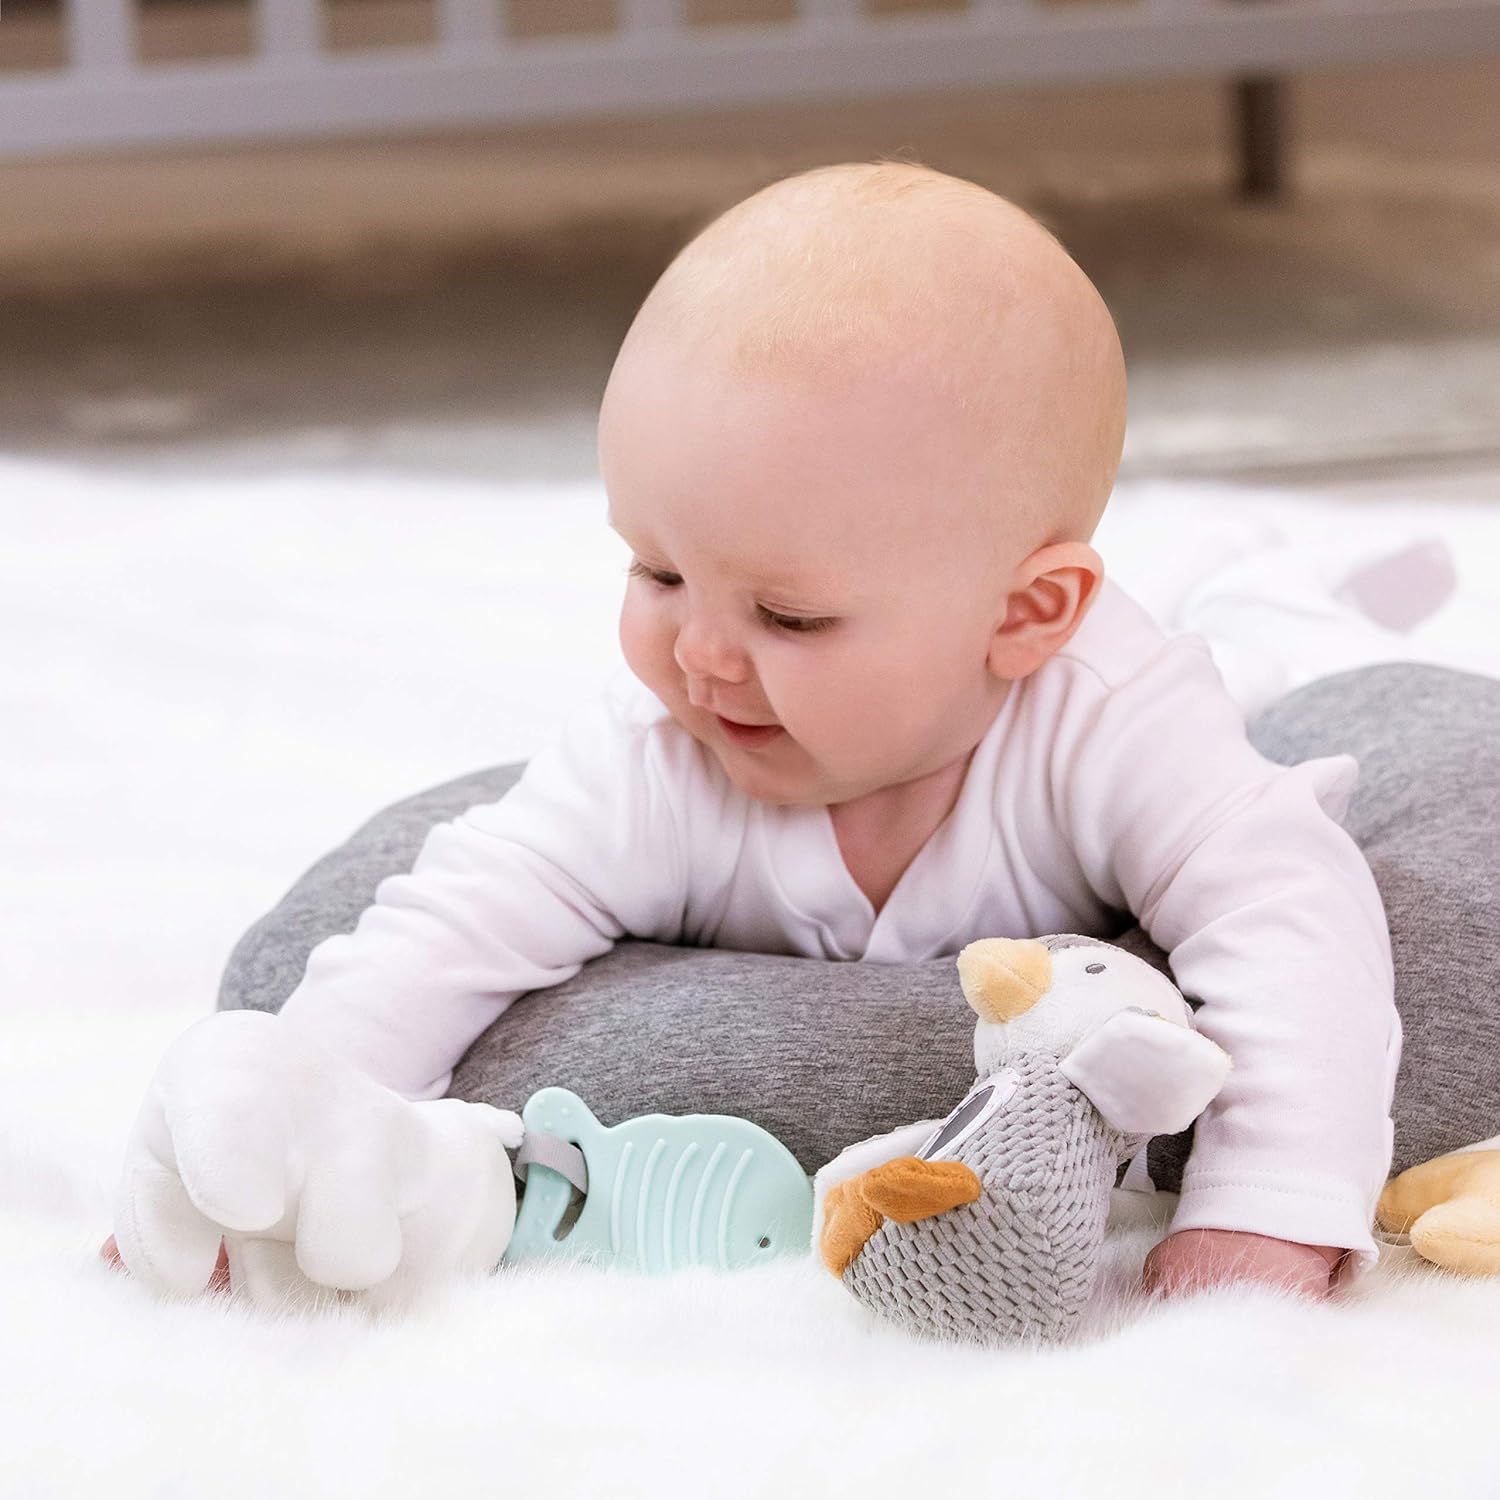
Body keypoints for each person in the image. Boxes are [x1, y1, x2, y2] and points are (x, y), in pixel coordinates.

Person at [103, 159, 1403, 1303]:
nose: (701, 657)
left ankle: (1267, 588)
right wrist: (267, 1148)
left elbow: (1289, 916)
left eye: (788, 614)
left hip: (1199, 687)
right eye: (658, 573)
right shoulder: (651, 758)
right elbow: (442, 929)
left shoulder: (1110, 721)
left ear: (1026, 614)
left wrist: (1269, 1209)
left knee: (1272, 678)